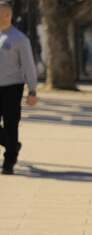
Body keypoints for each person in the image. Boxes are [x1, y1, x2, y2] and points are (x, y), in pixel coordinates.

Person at [0, 0, 37, 175]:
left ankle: (9, 161)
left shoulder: (20, 39)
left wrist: (32, 90)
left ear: (8, 15)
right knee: (8, 132)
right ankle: (12, 144)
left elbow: (29, 65)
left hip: (12, 88)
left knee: (11, 124)